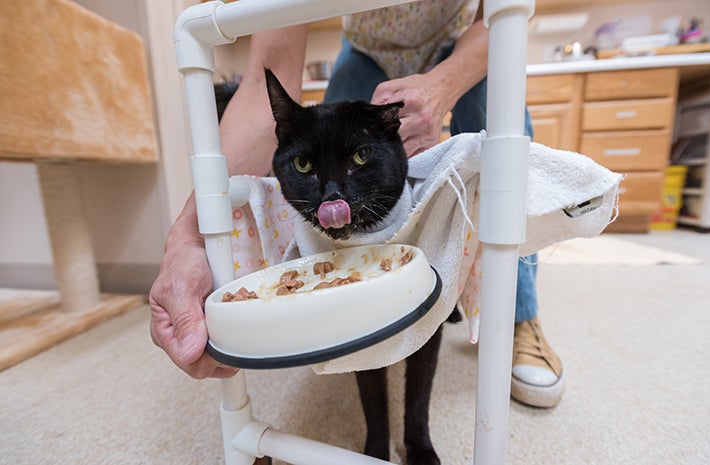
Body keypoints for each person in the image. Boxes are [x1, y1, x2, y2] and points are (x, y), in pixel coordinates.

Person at [149, 0, 564, 408]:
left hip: (462, 37)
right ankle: (353, 297)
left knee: (493, 105)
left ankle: (519, 316)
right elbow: (264, 83)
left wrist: (442, 86)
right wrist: (190, 239)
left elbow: (503, 16)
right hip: (365, 48)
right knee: (330, 129)